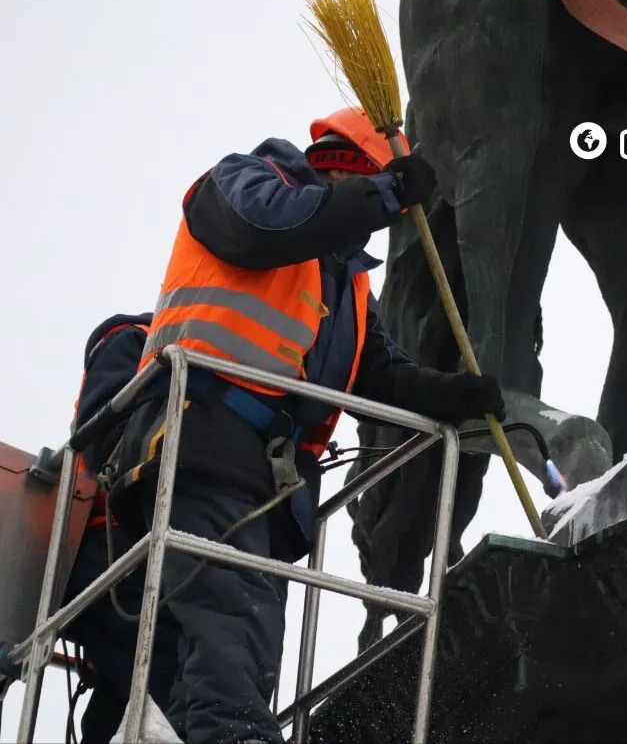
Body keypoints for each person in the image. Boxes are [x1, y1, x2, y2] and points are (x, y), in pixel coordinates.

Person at [104, 106, 505, 744]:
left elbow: (380, 371)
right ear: (348, 173)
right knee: (233, 634)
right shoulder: (243, 183)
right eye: (371, 191)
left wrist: (454, 394)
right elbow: (263, 230)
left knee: (235, 646)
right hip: (196, 442)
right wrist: (383, 194)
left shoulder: (342, 280)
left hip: (263, 482)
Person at [57, 312, 183, 744]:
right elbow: (100, 433)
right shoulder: (135, 340)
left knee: (132, 680)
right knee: (170, 662)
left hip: (151, 549)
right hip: (106, 541)